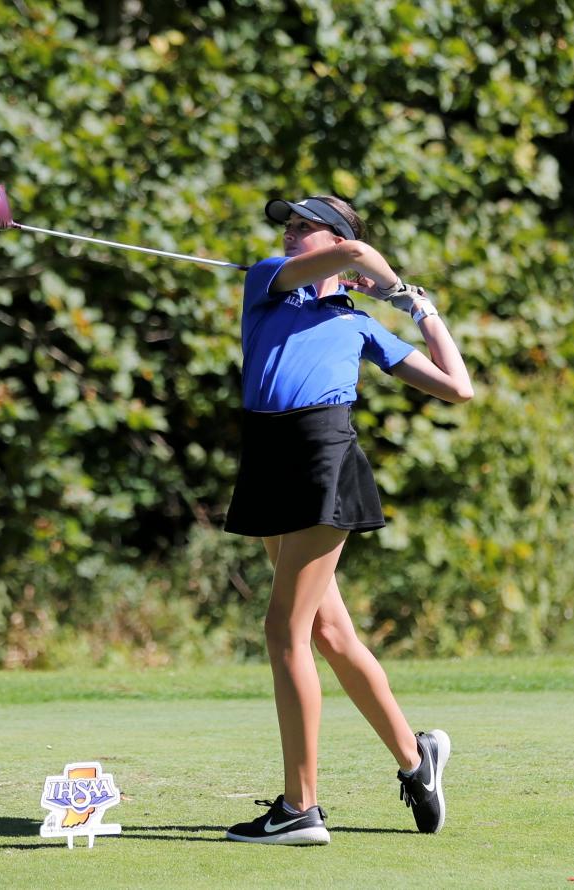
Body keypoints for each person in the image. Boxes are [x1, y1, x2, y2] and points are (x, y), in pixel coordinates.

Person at [223, 195, 473, 846]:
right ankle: (418, 761)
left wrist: (418, 308)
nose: (290, 233)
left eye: (305, 227)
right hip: (268, 457)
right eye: (288, 225)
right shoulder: (264, 282)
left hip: (321, 459)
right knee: (329, 634)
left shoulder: (358, 323)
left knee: (284, 631)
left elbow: (457, 386)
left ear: (334, 238)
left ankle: (299, 807)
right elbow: (359, 254)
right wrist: (385, 282)